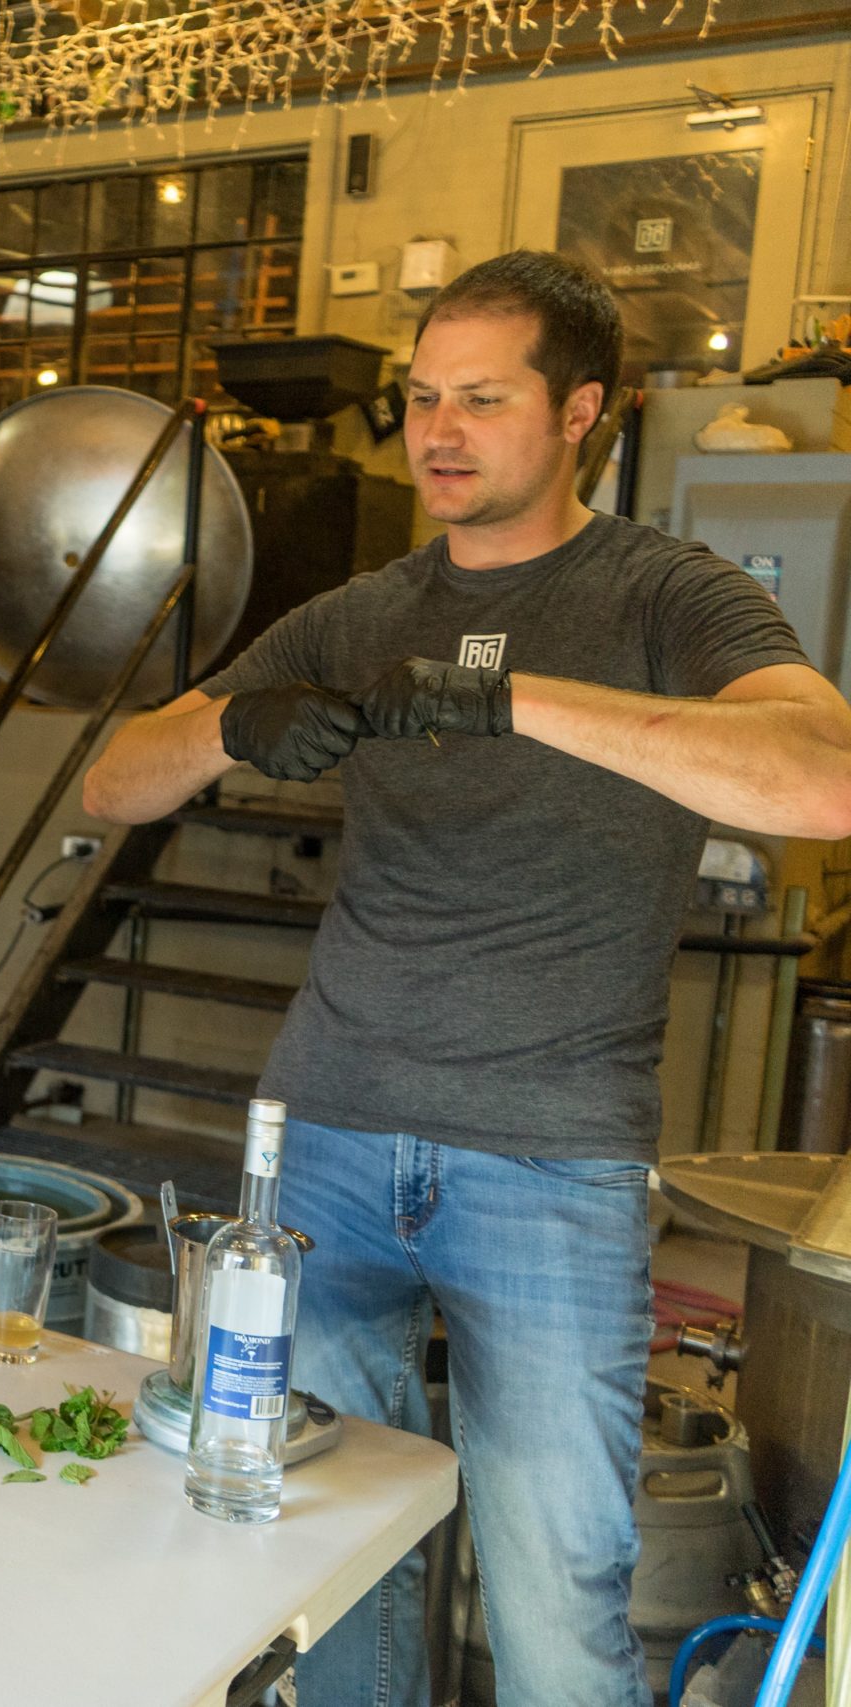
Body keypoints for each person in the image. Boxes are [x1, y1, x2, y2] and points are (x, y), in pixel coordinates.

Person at [81, 249, 851, 1706]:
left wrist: (511, 696)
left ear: (580, 412)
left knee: (558, 1595)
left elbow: (821, 780)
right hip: (324, 1134)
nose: (438, 430)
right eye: (426, 397)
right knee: (324, 1554)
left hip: (551, 1158)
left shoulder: (665, 596)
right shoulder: (364, 609)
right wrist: (243, 724)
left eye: (483, 399)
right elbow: (118, 779)